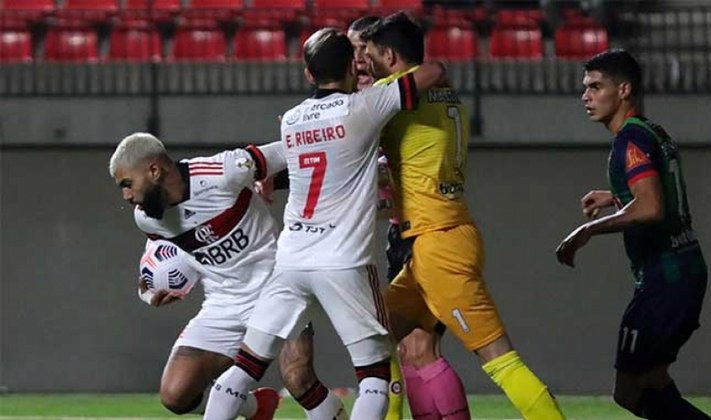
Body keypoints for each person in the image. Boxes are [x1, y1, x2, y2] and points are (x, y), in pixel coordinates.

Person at [202, 28, 447, 420]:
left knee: (245, 366)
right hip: (344, 260)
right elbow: (434, 70)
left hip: (292, 261)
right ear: (353, 66)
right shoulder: (364, 107)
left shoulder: (292, 120)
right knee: (373, 377)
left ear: (307, 74)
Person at [361, 13, 566, 420]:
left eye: (368, 57)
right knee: (375, 338)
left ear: (388, 55)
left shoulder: (393, 96)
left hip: (439, 245)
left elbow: (348, 132)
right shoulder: (444, 91)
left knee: (500, 359)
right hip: (440, 238)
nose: (363, 66)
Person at [109, 132, 347, 420]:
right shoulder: (146, 218)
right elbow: (159, 262)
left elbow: (295, 149)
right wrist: (148, 292)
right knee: (176, 394)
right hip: (224, 303)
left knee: (298, 379)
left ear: (155, 171)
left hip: (279, 289)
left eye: (127, 184)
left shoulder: (224, 171)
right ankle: (257, 408)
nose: (126, 196)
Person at [555, 49, 711, 420]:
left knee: (628, 391)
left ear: (623, 89)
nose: (586, 96)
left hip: (665, 277)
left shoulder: (630, 140)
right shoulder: (652, 131)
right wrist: (616, 196)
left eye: (596, 86)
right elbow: (660, 194)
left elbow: (651, 208)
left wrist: (586, 231)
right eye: (585, 88)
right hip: (686, 267)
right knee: (653, 380)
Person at [349, 14, 471, 420]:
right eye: (351, 51)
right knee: (403, 348)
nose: (357, 59)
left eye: (361, 49)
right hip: (407, 229)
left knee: (411, 347)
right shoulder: (398, 91)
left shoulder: (391, 96)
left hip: (424, 230)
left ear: (383, 54)